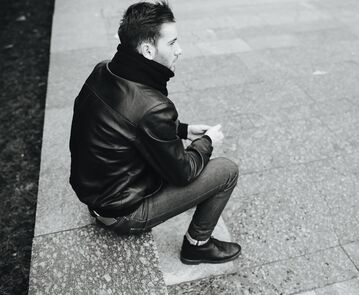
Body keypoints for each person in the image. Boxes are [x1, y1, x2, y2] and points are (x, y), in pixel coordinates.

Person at [69, 1, 241, 265]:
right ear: (148, 50)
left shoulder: (103, 70)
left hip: (97, 197)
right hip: (123, 213)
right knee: (226, 171)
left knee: (179, 158)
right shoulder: (154, 106)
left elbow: (129, 122)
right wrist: (207, 142)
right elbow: (183, 173)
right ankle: (198, 245)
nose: (180, 50)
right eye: (172, 43)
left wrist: (183, 130)